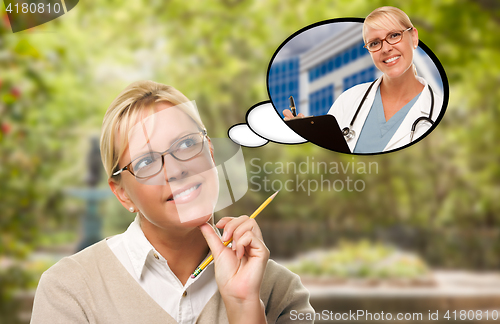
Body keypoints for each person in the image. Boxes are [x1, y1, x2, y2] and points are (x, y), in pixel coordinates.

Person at [30, 80, 314, 324]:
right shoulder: (69, 290)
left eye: (187, 144)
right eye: (146, 161)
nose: (176, 169)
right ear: (122, 194)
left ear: (210, 153)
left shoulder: (280, 290)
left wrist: (244, 308)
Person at [284, 6, 443, 153]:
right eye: (374, 43)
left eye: (394, 35)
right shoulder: (349, 99)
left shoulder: (438, 111)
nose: (386, 48)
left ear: (414, 37)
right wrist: (306, 136)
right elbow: (328, 158)